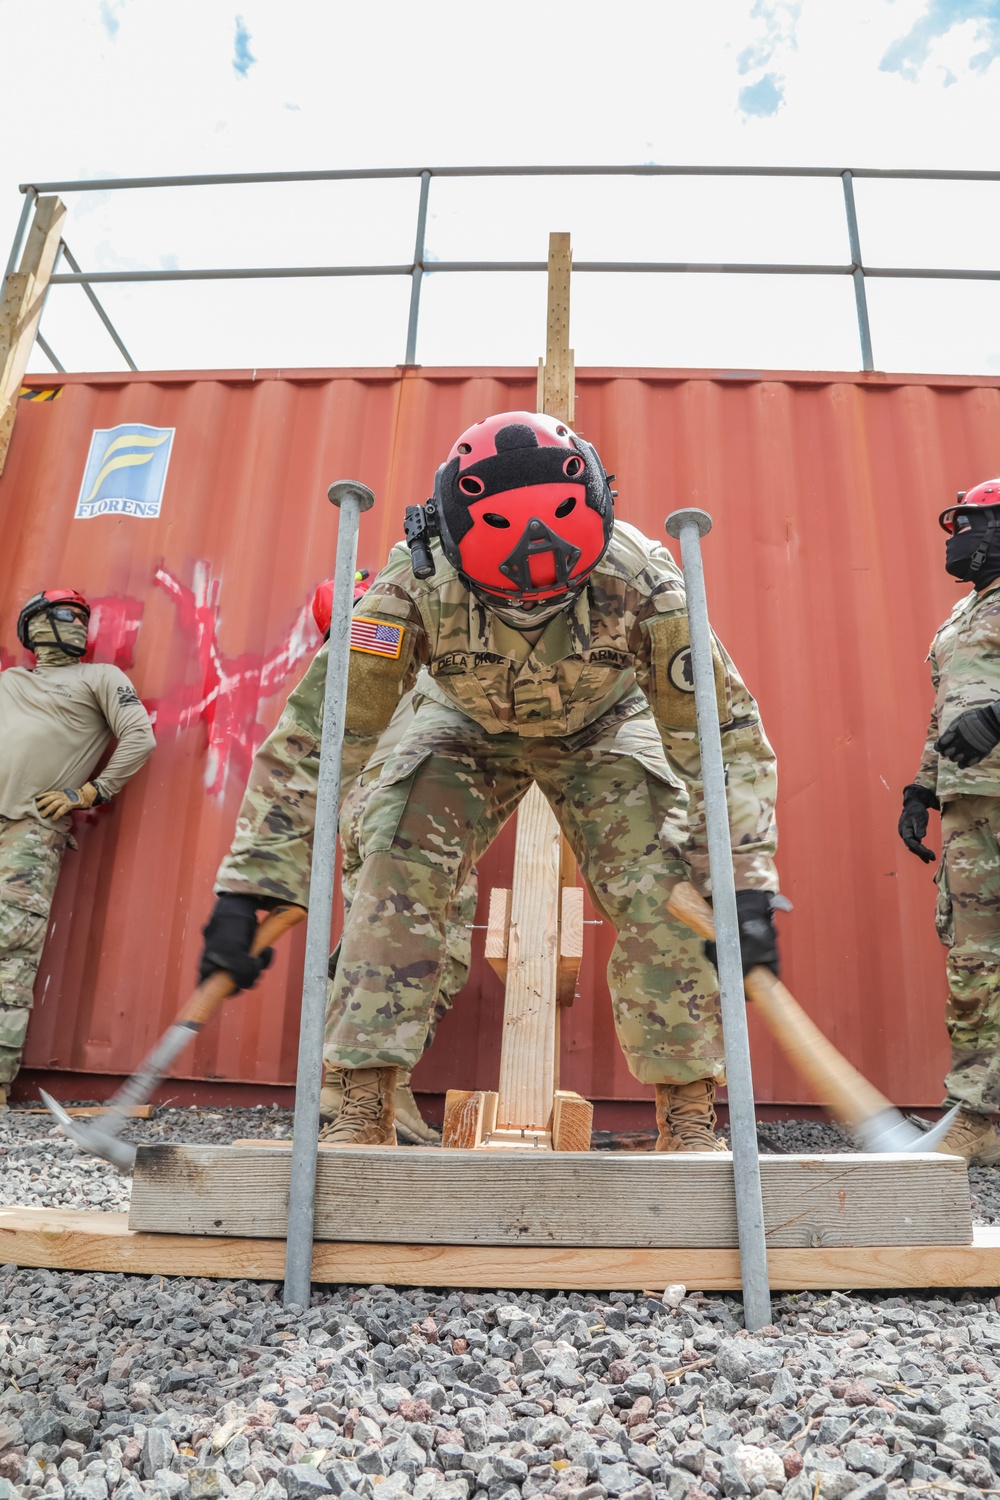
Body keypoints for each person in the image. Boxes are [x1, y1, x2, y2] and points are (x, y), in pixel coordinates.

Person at [202, 412, 781, 1150]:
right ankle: (364, 1106)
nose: (532, 604)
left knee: (663, 884)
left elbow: (721, 737)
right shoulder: (413, 582)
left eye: (553, 594)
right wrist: (252, 885)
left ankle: (689, 1116)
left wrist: (747, 880)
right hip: (463, 723)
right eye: (514, 597)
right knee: (393, 859)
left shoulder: (644, 580)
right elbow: (323, 733)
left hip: (602, 724)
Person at [310, 577, 479, 1145]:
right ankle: (374, 1089)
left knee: (377, 942)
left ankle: (357, 1084)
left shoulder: (343, 669)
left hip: (377, 804)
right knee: (427, 951)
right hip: (409, 807)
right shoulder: (381, 647)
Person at [0, 590, 156, 1103]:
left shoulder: (101, 678)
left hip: (28, 833)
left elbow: (139, 736)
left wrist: (90, 792)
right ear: (34, 626)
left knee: (9, 953)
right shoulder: (10, 682)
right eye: (66, 615)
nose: (78, 625)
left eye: (83, 619)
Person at [899, 478, 1000, 1164]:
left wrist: (997, 720)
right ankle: (977, 1118)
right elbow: (946, 716)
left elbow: (980, 714)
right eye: (957, 522)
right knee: (974, 963)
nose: (961, 534)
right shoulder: (958, 619)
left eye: (975, 521)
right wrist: (921, 790)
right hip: (972, 809)